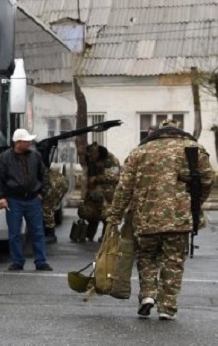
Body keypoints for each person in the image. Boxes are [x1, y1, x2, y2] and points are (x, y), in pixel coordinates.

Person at [107, 119, 214, 321]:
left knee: (147, 257)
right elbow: (207, 180)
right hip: (178, 218)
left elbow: (124, 187)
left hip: (144, 218)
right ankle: (168, 306)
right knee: (173, 261)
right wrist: (194, 203)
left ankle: (147, 296)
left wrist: (115, 216)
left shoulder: (140, 151)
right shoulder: (193, 149)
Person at [0, 128, 52, 272]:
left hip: (33, 199)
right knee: (15, 233)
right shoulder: (4, 158)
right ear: (18, 143)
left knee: (38, 232)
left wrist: (41, 193)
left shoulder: (35, 156)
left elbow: (44, 174)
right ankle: (17, 261)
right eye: (26, 141)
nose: (30, 143)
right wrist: (1, 197)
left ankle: (41, 261)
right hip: (13, 199)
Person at [79, 142, 120, 241]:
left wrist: (97, 178)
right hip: (94, 192)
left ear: (97, 153)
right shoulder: (90, 159)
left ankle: (105, 236)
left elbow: (116, 177)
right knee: (87, 212)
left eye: (93, 156)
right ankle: (89, 234)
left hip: (107, 192)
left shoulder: (111, 160)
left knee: (106, 214)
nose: (91, 158)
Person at [41, 168, 69, 244]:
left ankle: (51, 235)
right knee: (47, 207)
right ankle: (48, 232)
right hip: (58, 180)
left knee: (47, 207)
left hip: (56, 183)